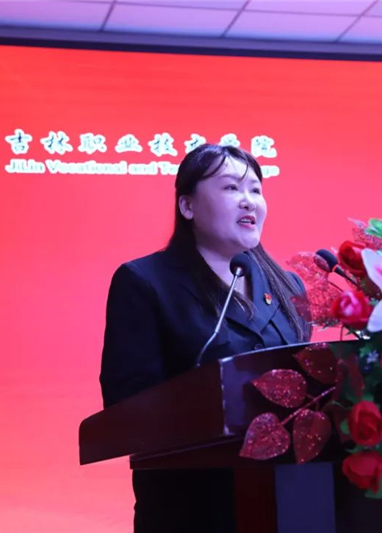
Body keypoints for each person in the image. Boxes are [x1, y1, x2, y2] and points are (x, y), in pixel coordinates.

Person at [99, 143, 311, 532]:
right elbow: (127, 401)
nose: (248, 201)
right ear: (188, 206)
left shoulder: (288, 286)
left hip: (289, 499)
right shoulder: (145, 282)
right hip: (191, 504)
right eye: (231, 188)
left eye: (256, 190)